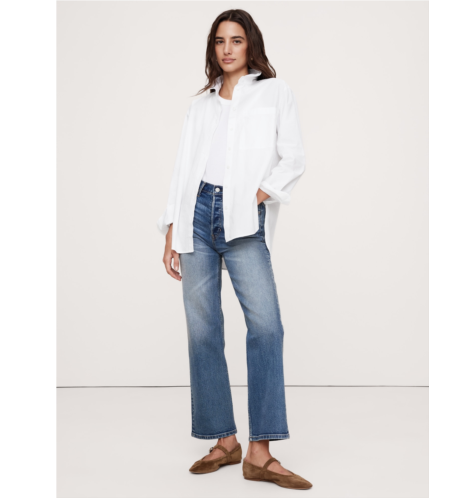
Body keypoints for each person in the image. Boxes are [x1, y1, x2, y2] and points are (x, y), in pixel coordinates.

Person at [157, 9, 311, 490]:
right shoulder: (201, 105)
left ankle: (260, 452)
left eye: (236, 40)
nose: (227, 49)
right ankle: (225, 441)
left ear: (250, 45)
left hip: (243, 217)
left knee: (266, 327)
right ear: (213, 47)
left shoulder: (274, 92)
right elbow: (183, 166)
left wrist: (259, 194)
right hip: (196, 213)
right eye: (220, 41)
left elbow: (294, 157)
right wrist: (171, 228)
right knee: (203, 331)